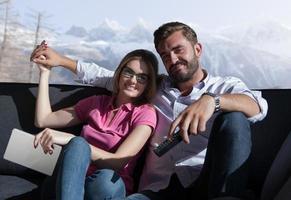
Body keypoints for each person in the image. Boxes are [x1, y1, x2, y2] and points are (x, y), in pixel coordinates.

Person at [31, 21, 268, 199]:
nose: (173, 59)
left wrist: (212, 101)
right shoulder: (154, 88)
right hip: (157, 190)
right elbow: (106, 76)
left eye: (179, 50)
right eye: (165, 55)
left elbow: (257, 106)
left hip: (203, 181)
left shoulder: (224, 87)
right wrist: (60, 60)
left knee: (235, 118)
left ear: (197, 49)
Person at [33, 49, 158, 200]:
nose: (133, 80)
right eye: (128, 73)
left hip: (104, 190)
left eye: (142, 78)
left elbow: (118, 161)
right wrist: (45, 73)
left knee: (105, 179)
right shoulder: (96, 103)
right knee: (58, 176)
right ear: (119, 73)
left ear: (148, 84)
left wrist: (74, 142)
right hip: (70, 183)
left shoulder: (145, 113)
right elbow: (43, 120)